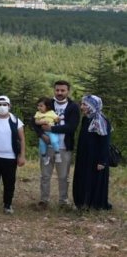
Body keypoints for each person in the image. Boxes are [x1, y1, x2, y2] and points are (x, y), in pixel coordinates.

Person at [31, 80, 80, 208]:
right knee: (45, 175)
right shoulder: (48, 103)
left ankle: (63, 201)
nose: (59, 93)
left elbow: (72, 127)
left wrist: (52, 129)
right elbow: (34, 121)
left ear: (68, 91)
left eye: (62, 90)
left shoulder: (73, 107)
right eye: (57, 90)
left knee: (63, 176)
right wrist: (41, 135)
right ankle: (44, 200)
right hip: (46, 146)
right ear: (54, 90)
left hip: (64, 147)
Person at [72, 95, 112, 211]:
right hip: (84, 156)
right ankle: (82, 203)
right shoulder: (86, 119)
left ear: (93, 106)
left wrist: (102, 161)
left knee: (94, 180)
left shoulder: (102, 121)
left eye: (85, 104)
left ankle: (94, 205)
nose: (82, 107)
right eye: (82, 104)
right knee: (83, 178)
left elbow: (105, 143)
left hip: (96, 158)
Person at [34, 97, 62, 165]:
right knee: (42, 145)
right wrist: (41, 122)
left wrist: (57, 120)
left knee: (54, 141)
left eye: (41, 106)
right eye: (38, 106)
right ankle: (44, 157)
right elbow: (36, 121)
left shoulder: (51, 112)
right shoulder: (38, 113)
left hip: (51, 131)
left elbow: (57, 119)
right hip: (43, 132)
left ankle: (57, 154)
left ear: (47, 106)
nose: (39, 107)